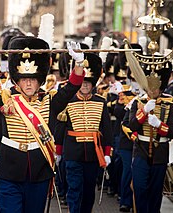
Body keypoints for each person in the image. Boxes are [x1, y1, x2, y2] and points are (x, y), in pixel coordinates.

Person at [0, 36, 85, 212]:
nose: (28, 83)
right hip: (10, 169)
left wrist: (79, 63)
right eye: (24, 79)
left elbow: (72, 87)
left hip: (39, 171)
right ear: (17, 80)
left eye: (33, 79)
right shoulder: (6, 100)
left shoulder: (50, 102)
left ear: (40, 80)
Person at [55, 53, 112, 213]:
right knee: (74, 189)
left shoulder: (100, 102)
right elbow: (60, 128)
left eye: (88, 83)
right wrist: (58, 152)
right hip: (73, 153)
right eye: (83, 82)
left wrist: (107, 152)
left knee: (88, 192)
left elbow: (106, 129)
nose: (85, 85)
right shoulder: (68, 101)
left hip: (93, 154)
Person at [129, 65, 173, 212]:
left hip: (160, 152)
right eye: (150, 88)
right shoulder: (138, 103)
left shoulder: (169, 106)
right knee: (139, 188)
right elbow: (132, 125)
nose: (152, 91)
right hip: (141, 150)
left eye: (155, 88)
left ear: (161, 88)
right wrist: (143, 112)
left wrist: (159, 125)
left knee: (155, 192)